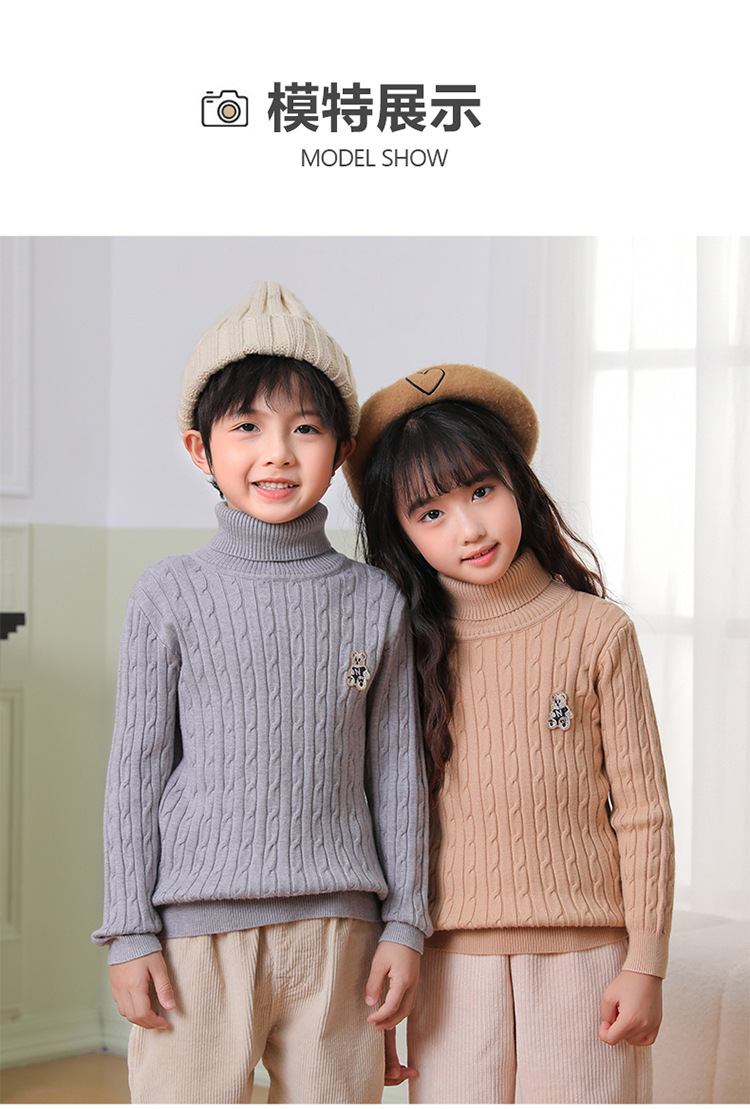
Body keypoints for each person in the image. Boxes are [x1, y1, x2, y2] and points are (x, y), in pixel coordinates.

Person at [92, 281, 430, 1104]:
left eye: (305, 428)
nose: (277, 452)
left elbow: (398, 775)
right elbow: (135, 774)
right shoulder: (167, 593)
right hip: (193, 935)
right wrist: (129, 929)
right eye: (247, 426)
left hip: (342, 931)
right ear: (199, 448)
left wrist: (406, 923)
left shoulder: (375, 598)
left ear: (342, 449)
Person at [344, 363, 674, 1104]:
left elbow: (644, 812)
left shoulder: (598, 631)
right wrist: (381, 972)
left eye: (481, 491)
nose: (468, 529)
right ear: (400, 532)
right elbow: (376, 817)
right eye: (430, 513)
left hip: (589, 954)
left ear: (517, 484)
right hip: (444, 960)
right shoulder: (399, 644)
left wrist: (645, 962)